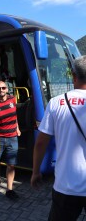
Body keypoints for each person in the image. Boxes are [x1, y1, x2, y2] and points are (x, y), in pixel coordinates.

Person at [31, 55, 86, 220]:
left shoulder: (56, 103)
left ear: (73, 76)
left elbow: (41, 143)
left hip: (66, 185)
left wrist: (35, 172)